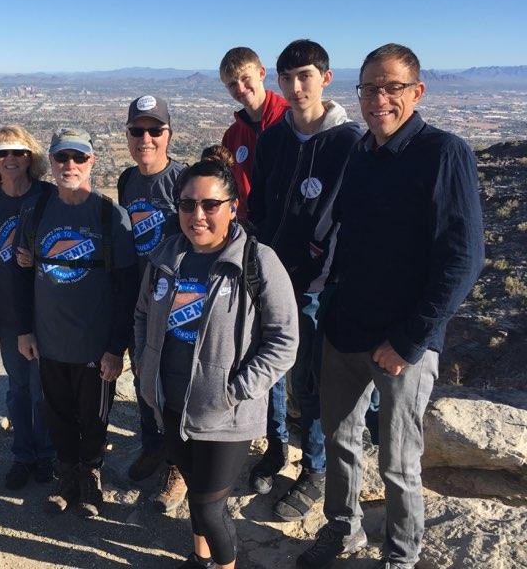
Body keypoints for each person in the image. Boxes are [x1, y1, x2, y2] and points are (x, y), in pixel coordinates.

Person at [296, 44, 484, 569]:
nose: (380, 98)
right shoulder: (362, 152)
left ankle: (401, 555)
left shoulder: (444, 153)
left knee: (400, 462)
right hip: (347, 329)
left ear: (416, 92)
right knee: (339, 441)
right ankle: (343, 530)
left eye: (392, 87)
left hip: (405, 342)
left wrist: (408, 340)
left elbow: (464, 260)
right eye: (370, 88)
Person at [135, 160, 299, 569]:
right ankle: (199, 557)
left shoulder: (258, 262)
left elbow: (284, 340)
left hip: (225, 415)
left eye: (211, 204)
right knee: (194, 491)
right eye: (188, 205)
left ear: (232, 206)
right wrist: (143, 366)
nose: (198, 215)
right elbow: (141, 314)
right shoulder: (165, 256)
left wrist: (236, 391)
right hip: (170, 402)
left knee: (210, 508)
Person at [246, 40, 363, 521]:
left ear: (326, 78)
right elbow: (260, 206)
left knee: (310, 379)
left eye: (306, 77)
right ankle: (276, 448)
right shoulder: (274, 138)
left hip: (317, 285)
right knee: (270, 370)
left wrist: (323, 271)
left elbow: (351, 218)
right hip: (272, 276)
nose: (295, 88)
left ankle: (314, 470)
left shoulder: (348, 141)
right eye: (287, 79)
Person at [13, 127, 138, 517]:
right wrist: (24, 329)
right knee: (58, 413)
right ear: (49, 162)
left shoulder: (108, 215)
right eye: (61, 157)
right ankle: (67, 475)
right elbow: (21, 274)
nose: (70, 165)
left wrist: (116, 347)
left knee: (95, 417)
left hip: (94, 344)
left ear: (91, 163)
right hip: (50, 341)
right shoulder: (35, 212)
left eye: (79, 158)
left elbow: (126, 287)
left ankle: (91, 475)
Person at [0, 125, 55, 490]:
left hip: (48, 311)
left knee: (43, 387)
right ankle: (24, 455)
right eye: (2, 152)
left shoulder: (49, 197)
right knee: (18, 386)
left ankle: (48, 455)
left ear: (31, 157)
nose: (10, 159)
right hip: (7, 314)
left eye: (18, 152)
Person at [117, 95, 188, 513]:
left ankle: (179, 464)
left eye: (154, 130)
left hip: (176, 300)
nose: (146, 138)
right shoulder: (128, 180)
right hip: (138, 297)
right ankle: (153, 444)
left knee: (174, 381)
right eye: (137, 130)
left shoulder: (180, 179)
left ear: (168, 135)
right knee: (143, 374)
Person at [219, 46, 289, 217]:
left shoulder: (290, 119)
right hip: (247, 227)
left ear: (262, 73)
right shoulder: (232, 135)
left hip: (285, 225)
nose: (241, 88)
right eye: (232, 84)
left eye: (245, 78)